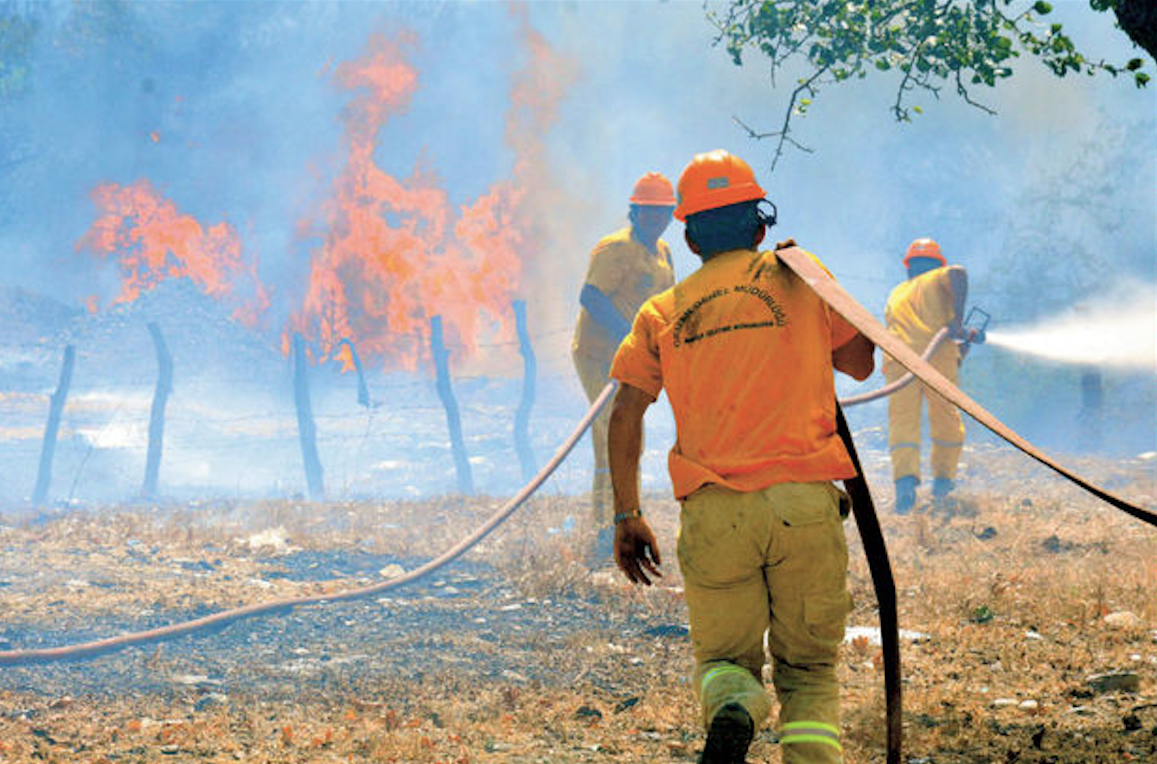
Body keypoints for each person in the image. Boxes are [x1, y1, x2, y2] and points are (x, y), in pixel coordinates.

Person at [607, 149, 875, 764]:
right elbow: (861, 363)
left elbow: (624, 413)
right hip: (804, 506)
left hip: (716, 514)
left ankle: (735, 704)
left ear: (690, 238)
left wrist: (627, 514)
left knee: (725, 661)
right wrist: (820, 285)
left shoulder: (662, 312)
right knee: (809, 672)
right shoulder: (799, 278)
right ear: (759, 225)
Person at [572, 171, 676, 561]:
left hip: (634, 356)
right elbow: (591, 297)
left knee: (631, 433)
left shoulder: (663, 252)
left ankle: (620, 516)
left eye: (662, 211)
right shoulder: (615, 248)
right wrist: (628, 336)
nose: (656, 218)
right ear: (634, 212)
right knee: (609, 432)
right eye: (648, 211)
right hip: (600, 354)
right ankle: (605, 526)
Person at [883, 238, 978, 514]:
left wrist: (960, 348)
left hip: (898, 360)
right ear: (937, 265)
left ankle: (904, 485)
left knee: (902, 421)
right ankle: (943, 483)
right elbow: (958, 272)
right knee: (945, 416)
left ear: (909, 267)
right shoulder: (937, 277)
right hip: (935, 357)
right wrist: (958, 323)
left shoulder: (896, 293)